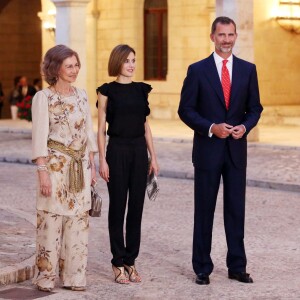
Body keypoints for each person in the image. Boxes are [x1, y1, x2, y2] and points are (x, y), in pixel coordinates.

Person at [178, 16, 263, 285]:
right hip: (208, 150)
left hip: (236, 151)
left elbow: (255, 108)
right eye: (221, 35)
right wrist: (211, 127)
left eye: (230, 35)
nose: (226, 40)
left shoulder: (248, 70)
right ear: (212, 36)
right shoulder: (197, 70)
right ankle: (202, 267)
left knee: (236, 210)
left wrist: (245, 127)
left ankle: (237, 266)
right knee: (204, 210)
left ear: (236, 37)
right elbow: (186, 110)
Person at [31, 44, 98, 292]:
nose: (74, 70)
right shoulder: (43, 98)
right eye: (68, 66)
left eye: (76, 65)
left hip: (80, 166)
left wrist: (92, 161)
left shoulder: (81, 95)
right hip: (55, 167)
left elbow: (87, 130)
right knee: (50, 221)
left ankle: (74, 277)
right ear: (55, 68)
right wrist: (42, 172)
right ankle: (46, 277)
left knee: (79, 221)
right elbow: (39, 137)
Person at [97, 44, 159, 284]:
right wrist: (102, 159)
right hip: (117, 150)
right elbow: (101, 129)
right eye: (127, 61)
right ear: (117, 63)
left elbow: (145, 126)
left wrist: (153, 156)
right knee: (118, 207)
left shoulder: (141, 90)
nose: (132, 65)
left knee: (136, 208)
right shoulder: (106, 91)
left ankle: (131, 261)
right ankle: (117, 262)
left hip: (138, 150)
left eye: (134, 60)